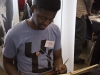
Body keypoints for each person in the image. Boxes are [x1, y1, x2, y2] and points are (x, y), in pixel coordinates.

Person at [2, 0, 67, 75]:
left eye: (51, 19)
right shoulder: (14, 34)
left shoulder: (55, 30)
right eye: (43, 18)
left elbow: (58, 57)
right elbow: (7, 63)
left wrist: (59, 67)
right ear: (33, 9)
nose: (46, 23)